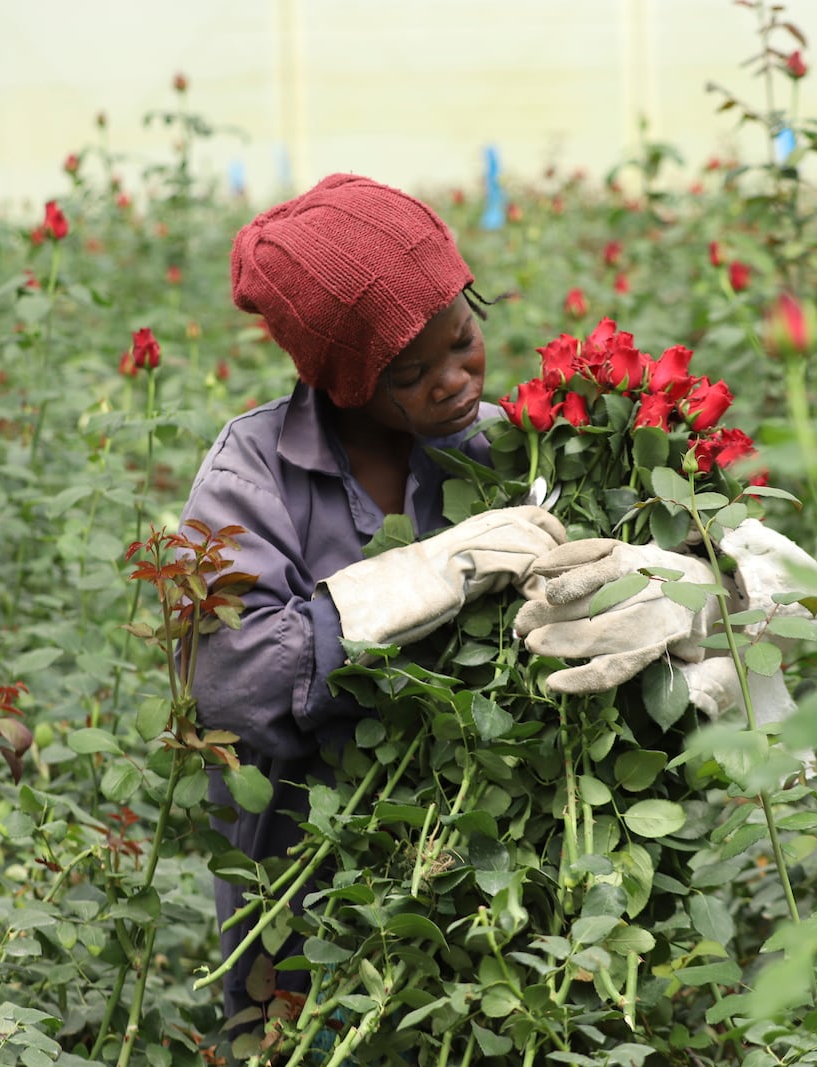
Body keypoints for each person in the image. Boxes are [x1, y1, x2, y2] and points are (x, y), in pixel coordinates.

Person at [179, 173, 566, 1033]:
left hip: (485, 897)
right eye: (410, 372)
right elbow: (231, 687)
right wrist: (392, 594)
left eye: (463, 341)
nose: (454, 381)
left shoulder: (514, 452)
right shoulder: (249, 479)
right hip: (305, 904)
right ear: (345, 380)